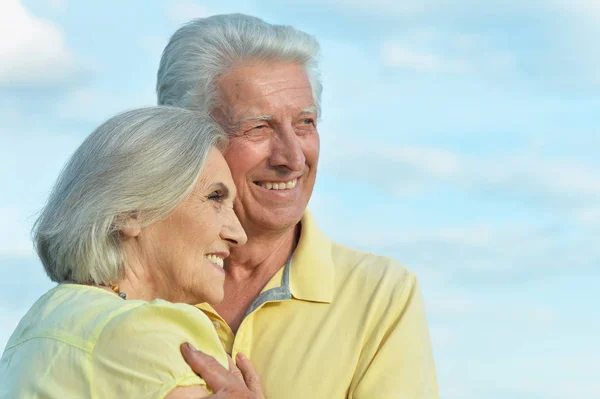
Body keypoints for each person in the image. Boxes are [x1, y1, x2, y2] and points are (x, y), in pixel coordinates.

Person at [158, 14, 439, 398]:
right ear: (182, 139)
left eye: (305, 123)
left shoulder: (381, 295)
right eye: (258, 127)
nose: (292, 157)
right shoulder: (124, 281)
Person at [0, 107, 264, 398]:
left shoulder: (36, 325)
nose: (238, 234)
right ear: (132, 212)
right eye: (215, 197)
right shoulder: (146, 332)